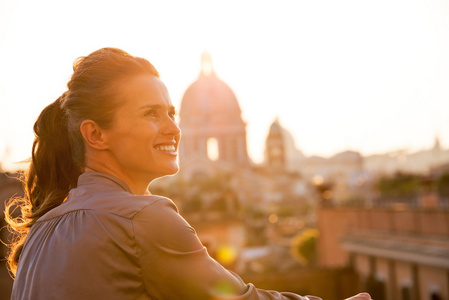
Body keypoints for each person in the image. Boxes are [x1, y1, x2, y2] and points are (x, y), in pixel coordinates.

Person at [5, 47, 371, 300]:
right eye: (151, 114)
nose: (173, 129)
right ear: (95, 134)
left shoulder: (41, 230)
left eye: (171, 113)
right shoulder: (142, 217)